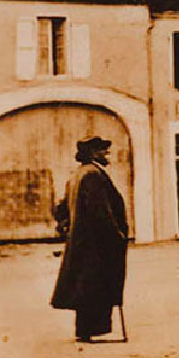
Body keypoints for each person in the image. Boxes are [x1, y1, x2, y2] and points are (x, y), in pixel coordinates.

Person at [51, 135, 128, 342]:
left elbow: (60, 209)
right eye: (102, 150)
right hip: (97, 242)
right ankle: (89, 330)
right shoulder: (93, 175)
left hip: (82, 241)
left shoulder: (77, 175)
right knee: (95, 285)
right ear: (92, 153)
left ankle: (84, 330)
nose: (106, 153)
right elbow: (100, 211)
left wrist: (67, 228)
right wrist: (116, 235)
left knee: (86, 285)